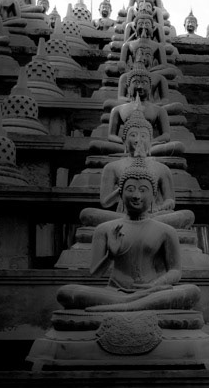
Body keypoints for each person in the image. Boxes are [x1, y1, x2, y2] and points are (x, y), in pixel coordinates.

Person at [56, 154, 199, 313]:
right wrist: (111, 255)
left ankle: (128, 305)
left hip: (152, 290)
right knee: (66, 292)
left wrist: (155, 285)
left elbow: (175, 271)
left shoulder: (166, 230)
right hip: (115, 292)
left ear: (153, 195)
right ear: (121, 194)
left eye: (143, 190)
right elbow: (95, 273)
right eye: (130, 189)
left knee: (192, 291)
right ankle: (133, 302)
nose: (136, 195)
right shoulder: (104, 229)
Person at [81, 106, 193, 229]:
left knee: (187, 216)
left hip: (153, 215)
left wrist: (159, 208)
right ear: (124, 140)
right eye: (133, 135)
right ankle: (140, 223)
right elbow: (105, 202)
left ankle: (145, 222)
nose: (138, 140)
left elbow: (170, 201)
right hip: (123, 216)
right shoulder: (112, 167)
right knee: (87, 214)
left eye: (143, 136)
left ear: (151, 141)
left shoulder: (162, 168)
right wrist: (121, 190)